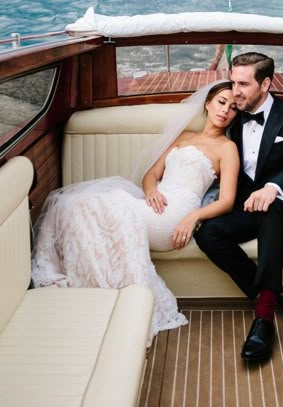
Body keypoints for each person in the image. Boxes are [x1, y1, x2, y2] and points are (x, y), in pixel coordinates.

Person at [32, 81, 239, 343]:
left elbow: (227, 200)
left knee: (81, 204)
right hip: (154, 201)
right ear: (208, 103)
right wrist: (151, 190)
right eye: (222, 102)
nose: (226, 111)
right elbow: (151, 175)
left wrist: (192, 217)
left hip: (175, 215)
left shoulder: (227, 148)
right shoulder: (184, 136)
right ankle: (80, 284)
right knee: (72, 204)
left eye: (233, 108)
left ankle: (87, 288)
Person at [195, 52, 283, 362]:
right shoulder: (234, 116)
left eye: (243, 84)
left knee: (271, 207)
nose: (235, 92)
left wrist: (271, 188)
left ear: (265, 83)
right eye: (233, 82)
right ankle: (282, 298)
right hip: (245, 208)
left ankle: (264, 320)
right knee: (208, 233)